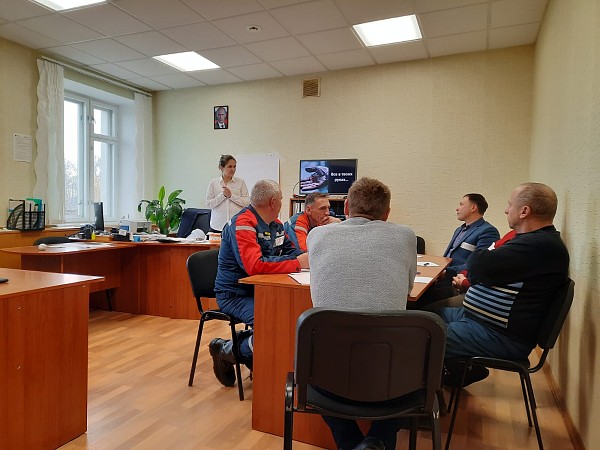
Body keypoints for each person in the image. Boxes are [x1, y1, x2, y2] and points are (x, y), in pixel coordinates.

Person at [307, 177, 417, 450]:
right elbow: (407, 289)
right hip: (391, 380)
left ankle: (352, 443)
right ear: (387, 214)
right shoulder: (405, 236)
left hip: (327, 376)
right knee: (413, 372)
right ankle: (376, 441)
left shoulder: (316, 235)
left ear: (346, 207)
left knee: (310, 361)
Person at [440, 183, 569, 386]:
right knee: (425, 317)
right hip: (479, 320)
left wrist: (487, 255)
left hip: (500, 336)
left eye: (510, 205)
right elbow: (484, 268)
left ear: (524, 211)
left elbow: (477, 265)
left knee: (418, 333)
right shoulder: (531, 241)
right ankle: (456, 372)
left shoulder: (538, 245)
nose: (506, 210)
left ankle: (415, 395)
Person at [209, 179, 309, 387]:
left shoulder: (276, 224)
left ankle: (246, 346)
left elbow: (293, 252)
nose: (281, 203)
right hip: (235, 295)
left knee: (290, 317)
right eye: (281, 199)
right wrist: (296, 263)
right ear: (273, 202)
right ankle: (226, 351)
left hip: (261, 290)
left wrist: (305, 258)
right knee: (272, 323)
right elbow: (254, 266)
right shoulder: (243, 223)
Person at [414, 193, 500, 307]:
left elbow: (479, 265)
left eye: (461, 204)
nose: (457, 208)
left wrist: (446, 272)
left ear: (473, 207)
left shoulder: (488, 231)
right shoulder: (459, 230)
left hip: (457, 283)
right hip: (442, 279)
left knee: (419, 302)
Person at [205, 155, 250, 232]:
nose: (233, 169)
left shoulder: (241, 182)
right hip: (217, 226)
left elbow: (246, 203)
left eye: (234, 166)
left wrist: (231, 196)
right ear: (221, 167)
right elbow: (209, 204)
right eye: (230, 166)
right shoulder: (213, 183)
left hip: (236, 226)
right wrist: (223, 195)